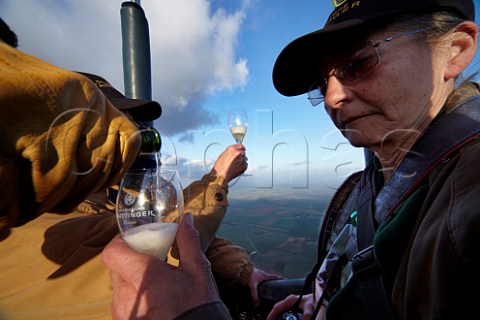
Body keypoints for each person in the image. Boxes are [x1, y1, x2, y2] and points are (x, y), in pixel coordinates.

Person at [103, 0, 480, 319]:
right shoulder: (376, 181)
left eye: (358, 64)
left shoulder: (468, 192)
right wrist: (322, 300)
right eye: (322, 84)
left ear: (455, 50)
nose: (332, 98)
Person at [0, 24, 281, 319]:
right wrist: (217, 178)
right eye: (123, 123)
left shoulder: (119, 193)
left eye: (139, 127)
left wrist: (243, 272)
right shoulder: (37, 208)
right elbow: (160, 260)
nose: (136, 138)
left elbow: (185, 238)